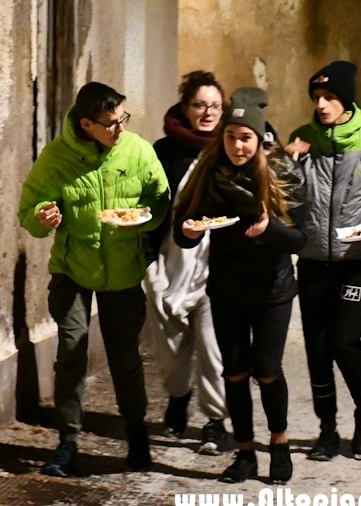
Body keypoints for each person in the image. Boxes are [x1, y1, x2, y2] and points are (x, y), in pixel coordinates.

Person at [18, 82, 170, 476]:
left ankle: (137, 435)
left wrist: (146, 216)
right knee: (71, 351)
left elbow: (160, 199)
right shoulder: (57, 157)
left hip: (123, 269)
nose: (120, 128)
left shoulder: (137, 151)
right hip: (72, 269)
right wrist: (42, 217)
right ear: (86, 124)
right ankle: (67, 442)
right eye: (111, 123)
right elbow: (29, 210)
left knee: (125, 357)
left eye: (122, 119)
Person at [175, 91, 307, 484]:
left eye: (245, 137)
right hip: (227, 289)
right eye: (230, 137)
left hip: (272, 290)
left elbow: (301, 239)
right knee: (233, 372)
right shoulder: (209, 171)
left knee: (267, 370)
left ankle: (279, 443)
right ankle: (245, 453)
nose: (237, 146)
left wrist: (270, 230)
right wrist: (188, 232)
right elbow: (185, 226)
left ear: (259, 138)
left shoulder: (281, 174)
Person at [286, 61, 361, 461]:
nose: (321, 105)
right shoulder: (302, 138)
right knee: (317, 349)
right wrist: (287, 164)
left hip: (354, 259)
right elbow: (283, 195)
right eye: (316, 98)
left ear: (347, 99)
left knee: (344, 343)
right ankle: (327, 429)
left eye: (330, 97)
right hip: (311, 260)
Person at [143, 71, 229, 455]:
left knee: (214, 349)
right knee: (171, 350)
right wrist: (149, 266)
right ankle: (178, 396)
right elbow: (147, 208)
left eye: (215, 106)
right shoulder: (164, 151)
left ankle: (215, 421)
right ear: (185, 107)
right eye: (199, 105)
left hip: (217, 268)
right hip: (172, 264)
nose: (208, 113)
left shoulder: (232, 147)